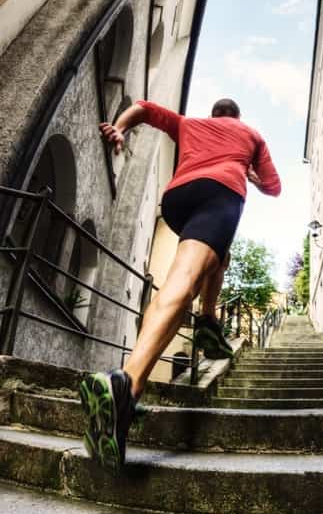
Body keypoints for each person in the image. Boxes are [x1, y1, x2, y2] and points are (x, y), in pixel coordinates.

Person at [78, 97, 281, 474]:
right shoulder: (251, 134)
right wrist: (250, 173)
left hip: (177, 198)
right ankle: (126, 383)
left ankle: (206, 319)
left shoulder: (190, 124)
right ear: (237, 116)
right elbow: (273, 186)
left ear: (214, 113)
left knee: (214, 259)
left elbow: (142, 107)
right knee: (185, 279)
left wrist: (120, 127)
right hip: (220, 193)